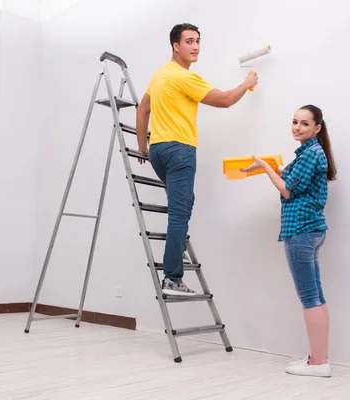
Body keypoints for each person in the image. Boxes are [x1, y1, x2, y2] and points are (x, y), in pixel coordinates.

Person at [135, 23, 258, 296]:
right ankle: (172, 277)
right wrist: (246, 85)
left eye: (198, 41)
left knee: (185, 203)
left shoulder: (159, 75)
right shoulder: (185, 78)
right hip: (180, 151)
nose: (195, 46)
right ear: (175, 46)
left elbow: (143, 109)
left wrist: (143, 147)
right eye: (189, 41)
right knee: (180, 213)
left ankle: (174, 258)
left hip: (158, 151)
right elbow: (225, 100)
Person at [240, 104, 337, 377]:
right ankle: (318, 359)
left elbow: (287, 191)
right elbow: (290, 175)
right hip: (310, 231)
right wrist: (272, 167)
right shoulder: (309, 152)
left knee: (310, 298)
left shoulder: (311, 153)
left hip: (301, 232)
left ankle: (319, 363)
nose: (297, 127)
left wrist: (264, 167)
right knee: (315, 296)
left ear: (317, 128)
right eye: (295, 121)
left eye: (304, 123)